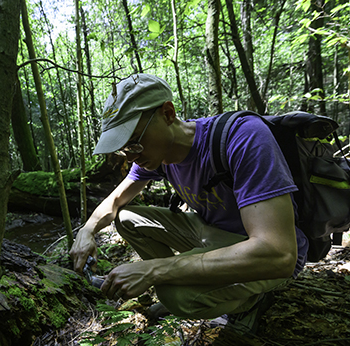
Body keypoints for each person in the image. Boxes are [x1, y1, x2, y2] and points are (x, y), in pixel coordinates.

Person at [70, 73, 308, 329]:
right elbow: (115, 201)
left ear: (168, 113)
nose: (130, 157)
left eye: (135, 142)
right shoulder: (156, 156)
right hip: (213, 234)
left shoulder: (242, 137)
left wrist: (154, 270)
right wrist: (87, 231)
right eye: (123, 149)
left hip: (258, 252)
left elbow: (279, 254)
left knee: (176, 297)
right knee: (127, 219)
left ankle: (248, 302)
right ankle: (183, 284)